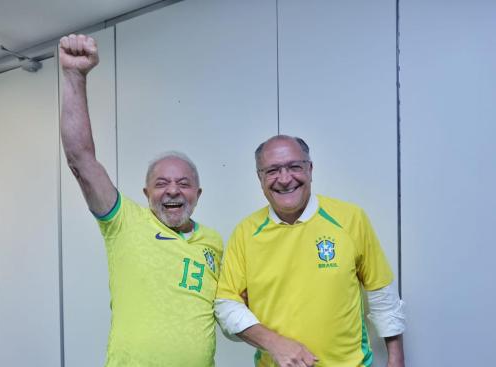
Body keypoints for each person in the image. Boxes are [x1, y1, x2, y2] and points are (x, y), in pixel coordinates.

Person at [59, 34, 223, 367]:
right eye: (161, 183)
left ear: (198, 194)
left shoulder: (215, 243)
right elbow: (81, 159)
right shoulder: (125, 223)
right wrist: (75, 76)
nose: (173, 191)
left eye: (184, 183)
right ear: (146, 194)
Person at [215, 135, 405, 367]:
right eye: (272, 170)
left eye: (294, 166)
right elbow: (226, 304)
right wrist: (274, 343)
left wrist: (396, 359)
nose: (285, 179)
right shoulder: (245, 232)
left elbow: (381, 293)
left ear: (310, 169)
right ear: (260, 177)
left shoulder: (351, 219)